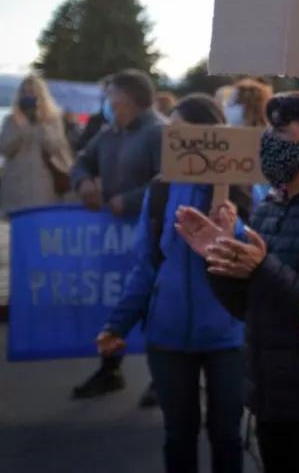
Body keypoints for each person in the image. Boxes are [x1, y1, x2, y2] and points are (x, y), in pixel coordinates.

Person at [175, 91, 299, 473]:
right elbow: (248, 308)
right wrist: (220, 258)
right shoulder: (270, 206)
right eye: (267, 129)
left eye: (281, 132)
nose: (268, 140)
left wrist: (262, 268)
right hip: (270, 396)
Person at [97, 94, 251, 473]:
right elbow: (146, 265)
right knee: (178, 435)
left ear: (211, 136)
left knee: (226, 435)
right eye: (173, 131)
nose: (174, 137)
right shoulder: (161, 189)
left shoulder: (242, 187)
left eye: (183, 130)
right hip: (167, 337)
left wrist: (234, 227)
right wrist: (118, 324)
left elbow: (260, 259)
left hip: (228, 338)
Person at [69, 69, 165, 403]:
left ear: (125, 99)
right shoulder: (109, 134)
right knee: (114, 300)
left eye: (109, 96)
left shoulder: (160, 133)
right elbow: (81, 161)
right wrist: (83, 182)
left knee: (154, 302)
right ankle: (110, 369)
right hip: (113, 236)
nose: (106, 103)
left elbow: (167, 181)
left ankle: (162, 377)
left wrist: (131, 200)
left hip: (152, 234)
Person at [0, 75, 74, 213]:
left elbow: (55, 147)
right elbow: (4, 148)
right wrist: (21, 128)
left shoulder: (53, 119)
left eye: (32, 92)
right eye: (25, 92)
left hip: (43, 184)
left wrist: (42, 124)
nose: (28, 96)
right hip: (15, 184)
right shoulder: (11, 119)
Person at [222, 78, 274, 204]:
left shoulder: (271, 146)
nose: (226, 107)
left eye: (233, 102)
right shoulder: (225, 143)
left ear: (250, 107)